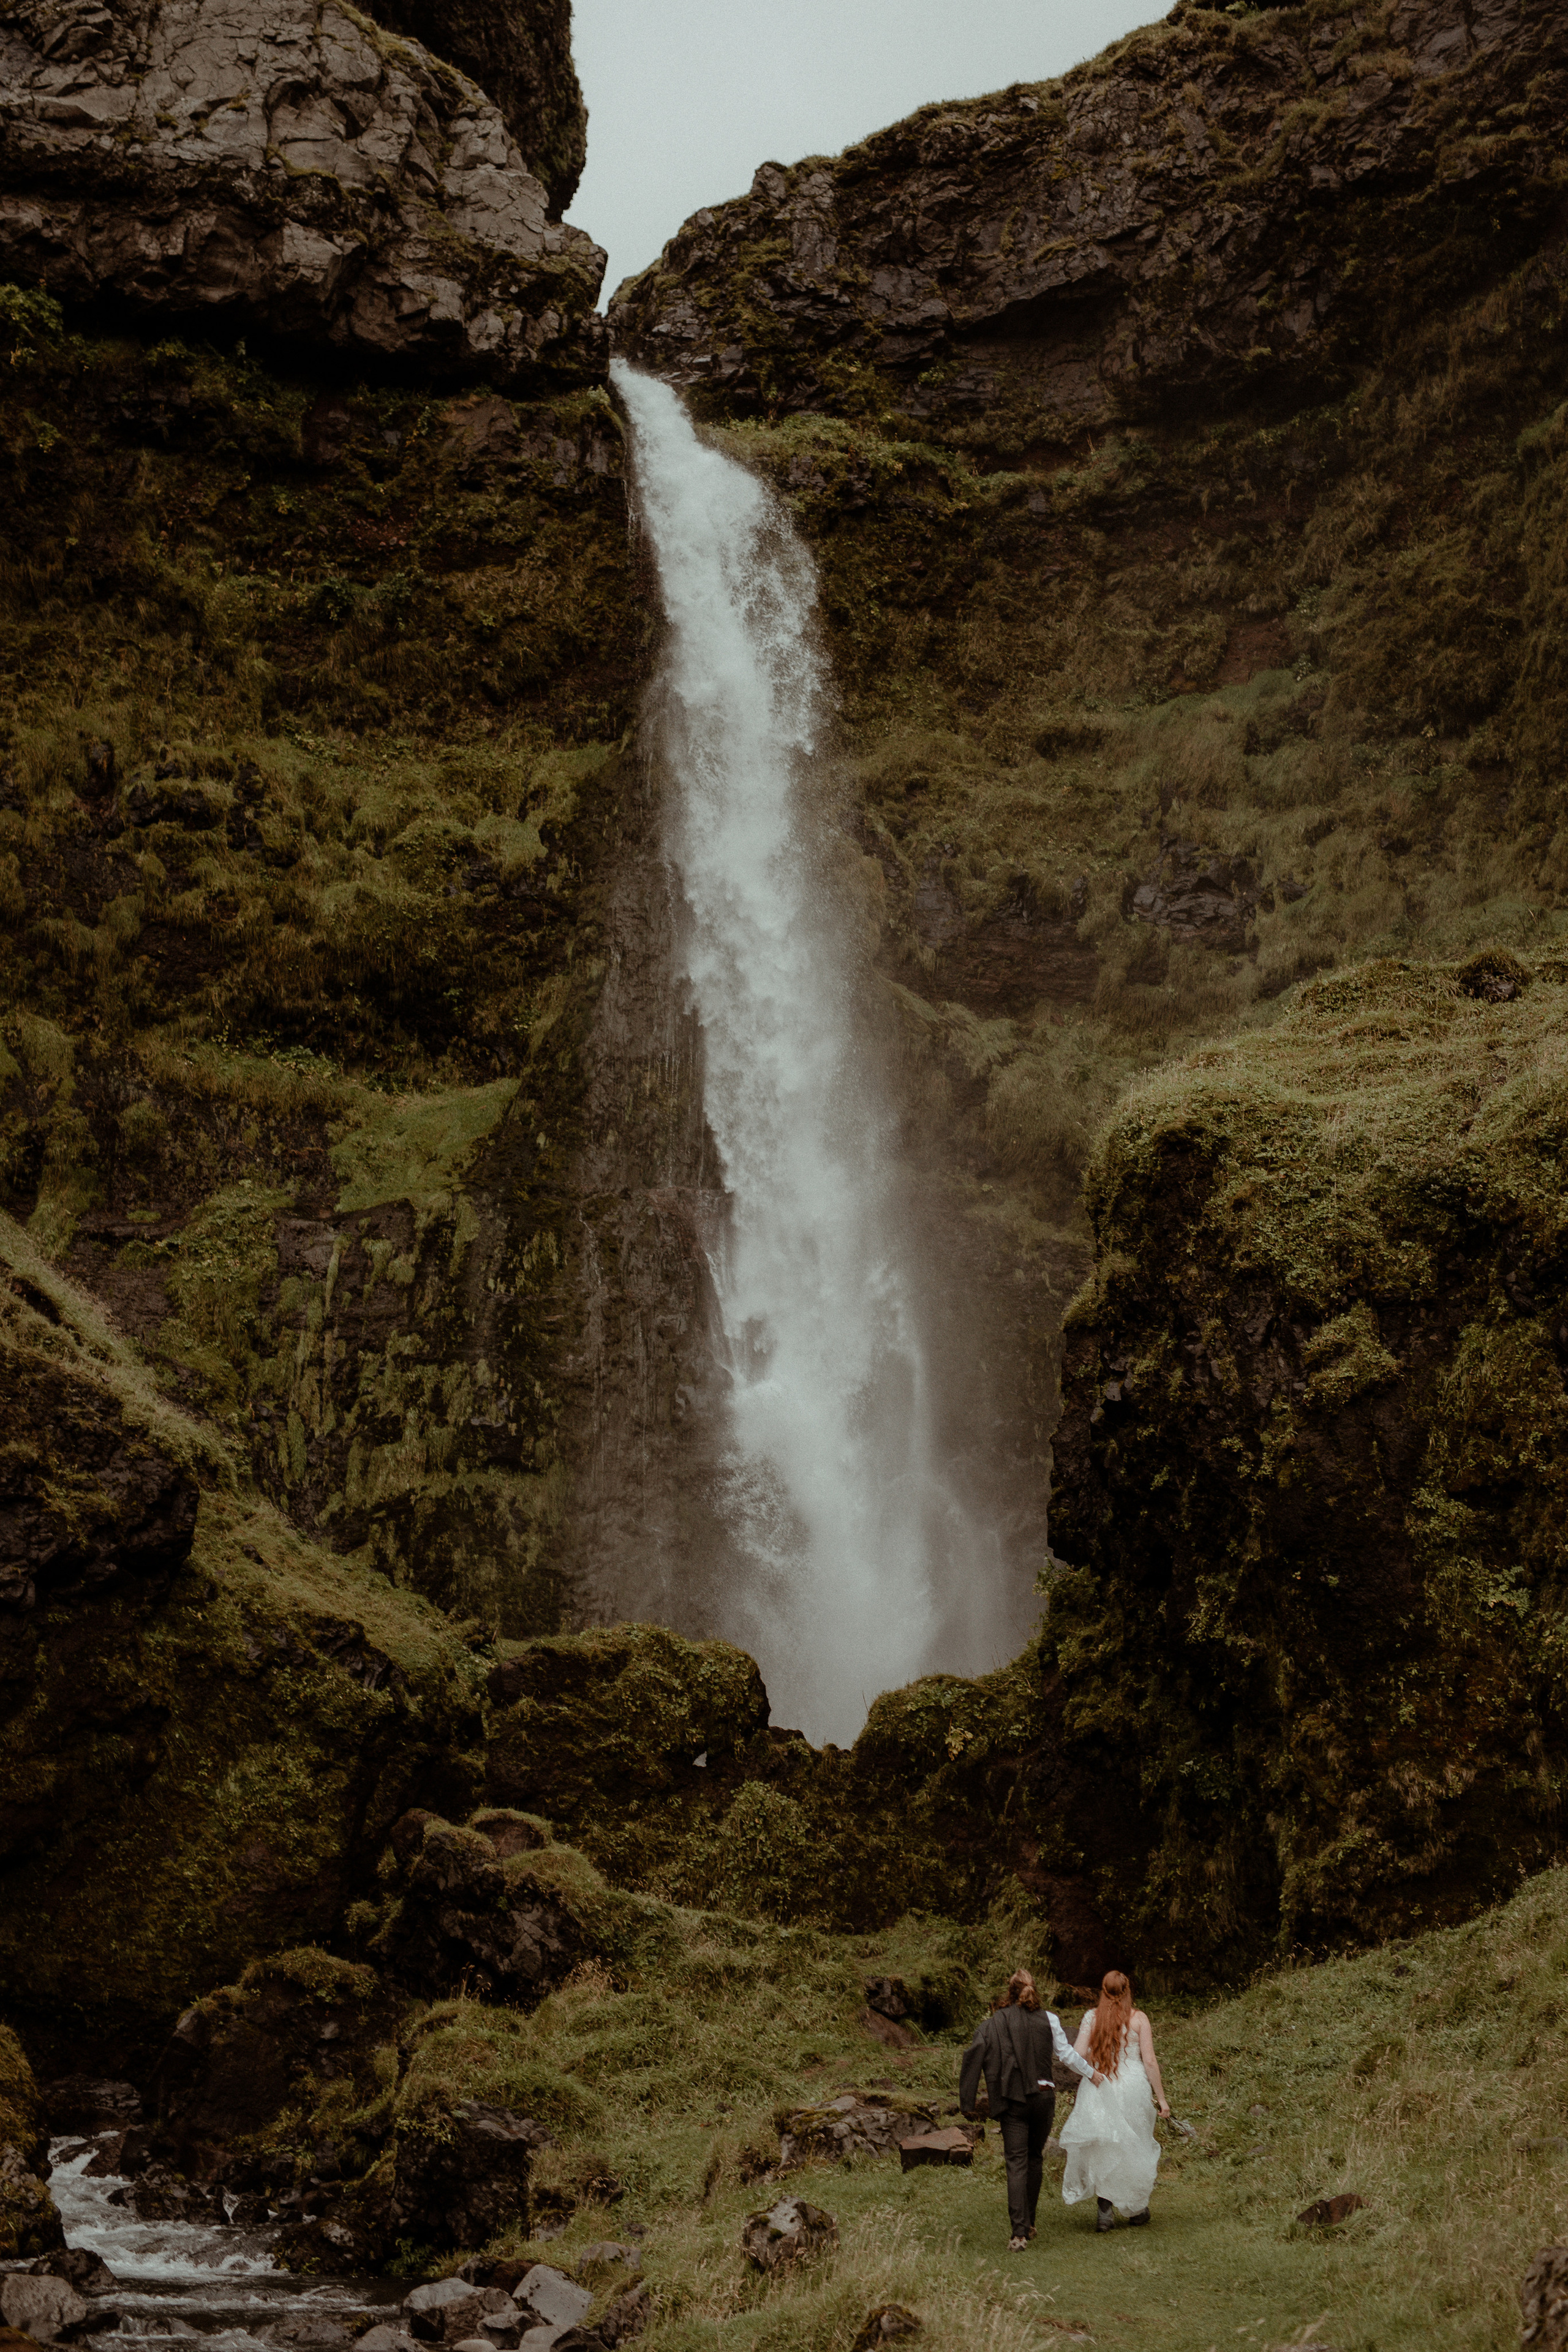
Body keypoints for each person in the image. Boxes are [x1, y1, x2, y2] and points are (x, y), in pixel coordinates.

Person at [959, 1968, 1106, 2252]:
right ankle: (1030, 2223)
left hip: (1014, 2101)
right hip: (1044, 2099)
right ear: (1033, 1989)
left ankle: (1019, 2235)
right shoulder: (1050, 2019)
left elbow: (974, 2054)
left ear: (1010, 1992)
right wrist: (1092, 2074)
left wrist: (966, 2102)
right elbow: (1066, 2056)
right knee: (1035, 2159)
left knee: (1016, 2162)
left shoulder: (994, 2023)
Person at [1060, 1969, 1170, 2232]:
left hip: (1100, 2085)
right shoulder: (1139, 2019)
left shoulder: (1092, 2018)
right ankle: (1135, 2209)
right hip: (1133, 2087)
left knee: (1105, 2146)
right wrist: (1162, 2099)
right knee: (1133, 2143)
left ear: (1103, 1990)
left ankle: (1105, 2212)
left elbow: (1077, 2056)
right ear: (1127, 1990)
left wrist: (1092, 2064)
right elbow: (1151, 2061)